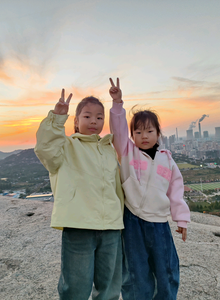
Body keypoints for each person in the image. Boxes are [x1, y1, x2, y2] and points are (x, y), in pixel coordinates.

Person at [34, 89, 124, 300]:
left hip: (111, 227)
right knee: (75, 287)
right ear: (75, 121)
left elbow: (116, 187)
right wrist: (57, 119)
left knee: (109, 286)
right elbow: (45, 148)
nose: (94, 121)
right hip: (79, 226)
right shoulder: (66, 146)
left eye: (99, 117)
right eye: (87, 116)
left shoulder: (109, 150)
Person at [109, 78, 190, 300]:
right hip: (132, 220)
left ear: (158, 133)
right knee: (136, 273)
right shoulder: (127, 152)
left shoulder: (167, 160)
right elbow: (117, 130)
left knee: (166, 269)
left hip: (159, 223)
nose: (143, 136)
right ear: (132, 135)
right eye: (138, 132)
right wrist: (118, 104)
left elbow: (176, 191)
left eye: (149, 131)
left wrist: (181, 219)